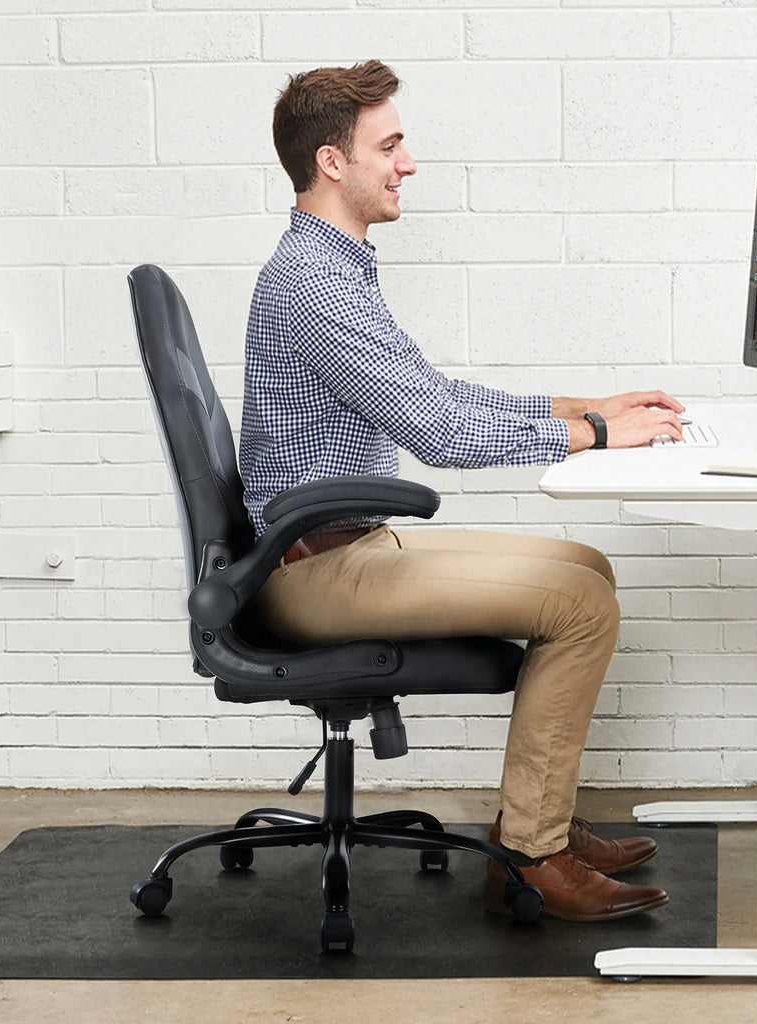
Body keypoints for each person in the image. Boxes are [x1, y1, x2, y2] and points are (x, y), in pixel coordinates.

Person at [239, 60, 686, 923]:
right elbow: (441, 435)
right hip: (311, 568)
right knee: (580, 604)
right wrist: (593, 436)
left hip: (342, 542)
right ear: (333, 162)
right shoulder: (313, 287)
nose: (406, 163)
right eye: (391, 145)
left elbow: (435, 393)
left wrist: (586, 405)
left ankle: (539, 814)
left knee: (585, 564)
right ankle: (532, 854)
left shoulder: (337, 268)